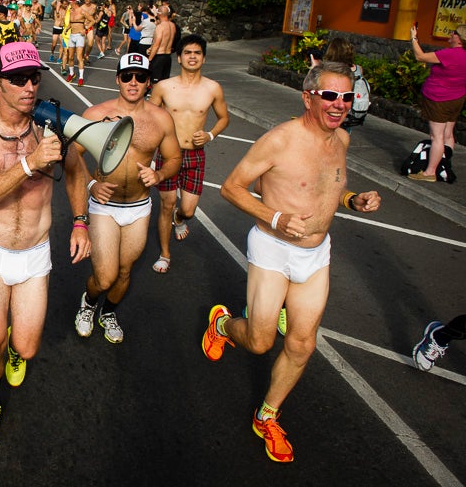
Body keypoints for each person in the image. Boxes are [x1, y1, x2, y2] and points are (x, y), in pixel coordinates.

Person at [203, 61, 381, 463]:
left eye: (347, 97)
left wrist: (354, 200)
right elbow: (232, 187)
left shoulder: (341, 141)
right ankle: (222, 323)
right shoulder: (280, 140)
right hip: (273, 249)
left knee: (302, 344)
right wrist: (275, 217)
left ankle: (267, 415)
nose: (340, 105)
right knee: (261, 341)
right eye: (330, 96)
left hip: (316, 253)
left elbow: (331, 187)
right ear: (308, 97)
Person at [0, 41, 91, 448]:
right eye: (17, 79)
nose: (29, 86)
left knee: (26, 348)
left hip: (34, 252)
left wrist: (81, 222)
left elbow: (76, 173)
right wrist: (31, 163)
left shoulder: (52, 126)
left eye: (34, 77)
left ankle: (16, 353)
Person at [74, 53, 181, 342]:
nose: (133, 82)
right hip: (103, 207)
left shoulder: (161, 119)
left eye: (140, 77)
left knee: (123, 273)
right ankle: (89, 302)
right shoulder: (96, 114)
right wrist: (91, 184)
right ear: (117, 79)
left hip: (138, 207)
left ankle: (108, 312)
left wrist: (159, 175)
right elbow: (72, 155)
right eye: (127, 76)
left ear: (149, 82)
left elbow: (174, 158)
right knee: (105, 277)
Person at [148, 35, 229, 273]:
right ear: (179, 57)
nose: (192, 56)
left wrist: (210, 135)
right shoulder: (164, 86)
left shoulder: (212, 88)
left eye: (197, 53)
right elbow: (151, 117)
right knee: (166, 204)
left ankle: (180, 219)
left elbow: (224, 118)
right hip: (168, 153)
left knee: (189, 210)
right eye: (187, 53)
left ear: (203, 57)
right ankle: (165, 254)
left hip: (195, 155)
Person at [407, 24, 466, 182]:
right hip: (457, 98)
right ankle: (443, 163)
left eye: (454, 32)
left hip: (439, 98)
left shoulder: (450, 54)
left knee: (437, 136)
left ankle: (430, 172)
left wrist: (413, 37)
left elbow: (420, 56)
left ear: (459, 38)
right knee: (448, 134)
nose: (451, 34)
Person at [61, 0, 87, 86]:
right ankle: (72, 74)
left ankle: (81, 78)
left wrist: (85, 29)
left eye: (70, 1)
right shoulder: (71, 11)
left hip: (80, 36)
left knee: (79, 57)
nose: (69, 3)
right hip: (72, 35)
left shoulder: (82, 11)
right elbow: (71, 23)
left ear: (75, 2)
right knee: (71, 57)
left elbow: (92, 20)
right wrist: (67, 29)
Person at [147, 4, 176, 84]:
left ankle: (155, 97)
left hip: (159, 57)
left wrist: (149, 59)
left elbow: (157, 44)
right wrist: (150, 48)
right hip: (167, 57)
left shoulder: (160, 27)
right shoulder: (172, 26)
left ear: (159, 14)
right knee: (164, 83)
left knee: (155, 83)